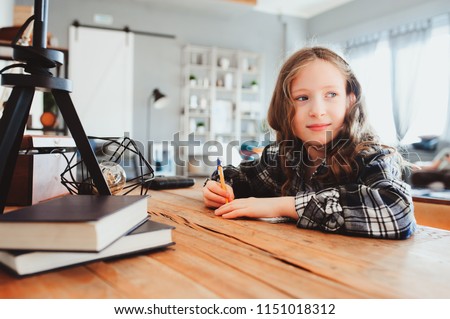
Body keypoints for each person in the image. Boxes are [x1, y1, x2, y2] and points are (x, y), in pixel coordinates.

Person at [203, 46, 416, 240]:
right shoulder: (283, 157)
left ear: (350, 100)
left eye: (331, 94)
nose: (317, 111)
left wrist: (284, 206)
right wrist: (219, 188)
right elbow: (239, 177)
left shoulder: (372, 157)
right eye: (302, 98)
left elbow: (398, 211)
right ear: (285, 108)